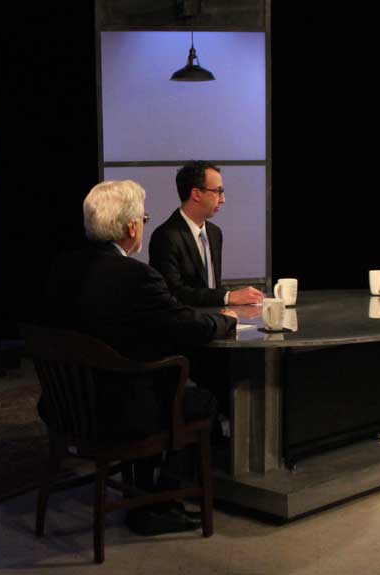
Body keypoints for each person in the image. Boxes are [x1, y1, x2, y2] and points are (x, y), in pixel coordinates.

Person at [42, 179, 237, 535]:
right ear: (132, 227)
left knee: (151, 381)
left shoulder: (62, 268)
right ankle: (161, 503)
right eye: (144, 218)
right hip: (115, 410)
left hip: (67, 405)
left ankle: (147, 493)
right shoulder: (136, 276)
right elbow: (182, 324)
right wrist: (225, 322)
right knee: (200, 400)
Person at [148, 161, 264, 307]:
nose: (223, 199)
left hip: (214, 322)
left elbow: (212, 287)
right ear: (196, 194)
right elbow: (173, 293)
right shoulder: (165, 236)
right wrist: (228, 297)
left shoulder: (215, 233)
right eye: (217, 191)